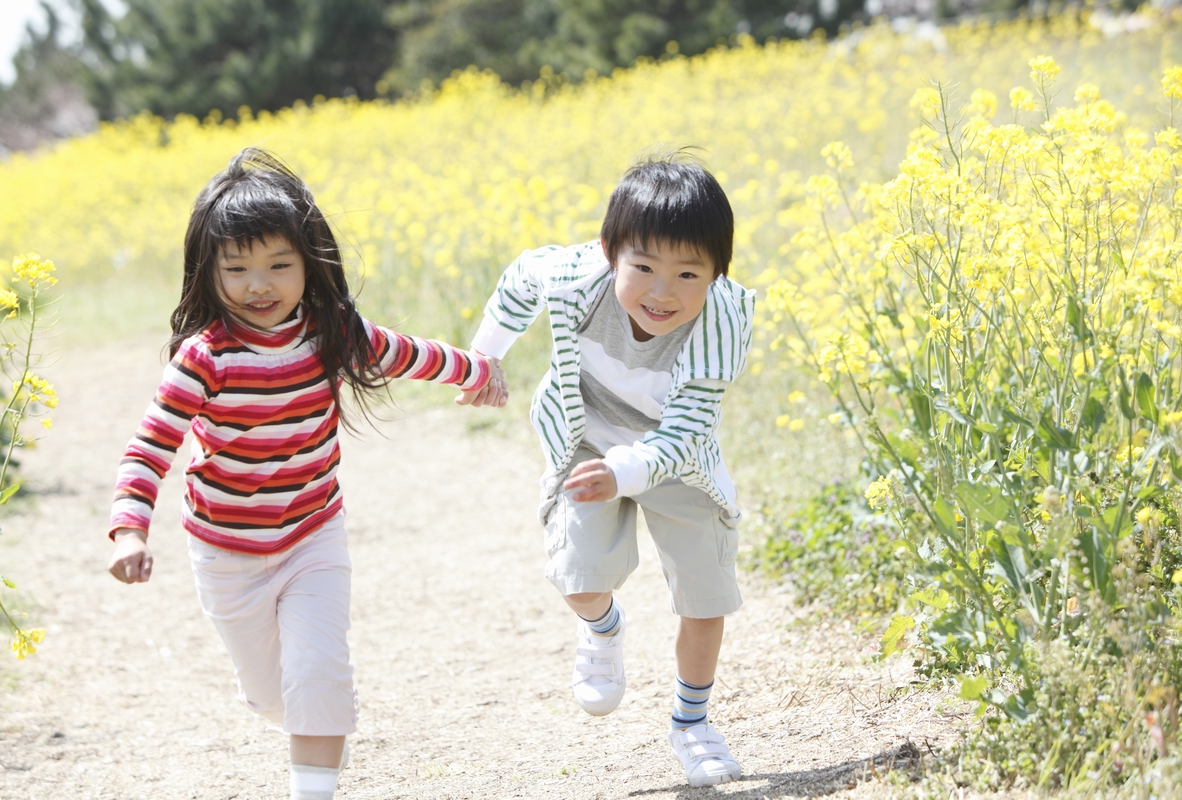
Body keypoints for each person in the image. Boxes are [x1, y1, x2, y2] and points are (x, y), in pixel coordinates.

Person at [105, 147, 507, 800]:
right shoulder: (203, 361)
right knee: (274, 695)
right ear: (208, 273)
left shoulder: (332, 334)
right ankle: (298, 712)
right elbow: (149, 448)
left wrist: (478, 370)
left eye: (278, 266)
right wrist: (128, 530)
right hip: (225, 551)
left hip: (313, 537)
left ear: (308, 264)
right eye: (237, 269)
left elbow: (411, 353)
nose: (258, 285)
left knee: (318, 673)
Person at [463, 150, 754, 787]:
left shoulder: (722, 320)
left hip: (676, 460)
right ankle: (604, 626)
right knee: (575, 575)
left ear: (716, 275)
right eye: (644, 267)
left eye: (687, 274)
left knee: (705, 597)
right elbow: (520, 278)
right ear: (608, 253)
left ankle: (692, 723)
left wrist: (628, 473)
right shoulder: (574, 275)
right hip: (585, 444)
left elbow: (687, 429)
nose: (662, 292)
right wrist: (484, 359)